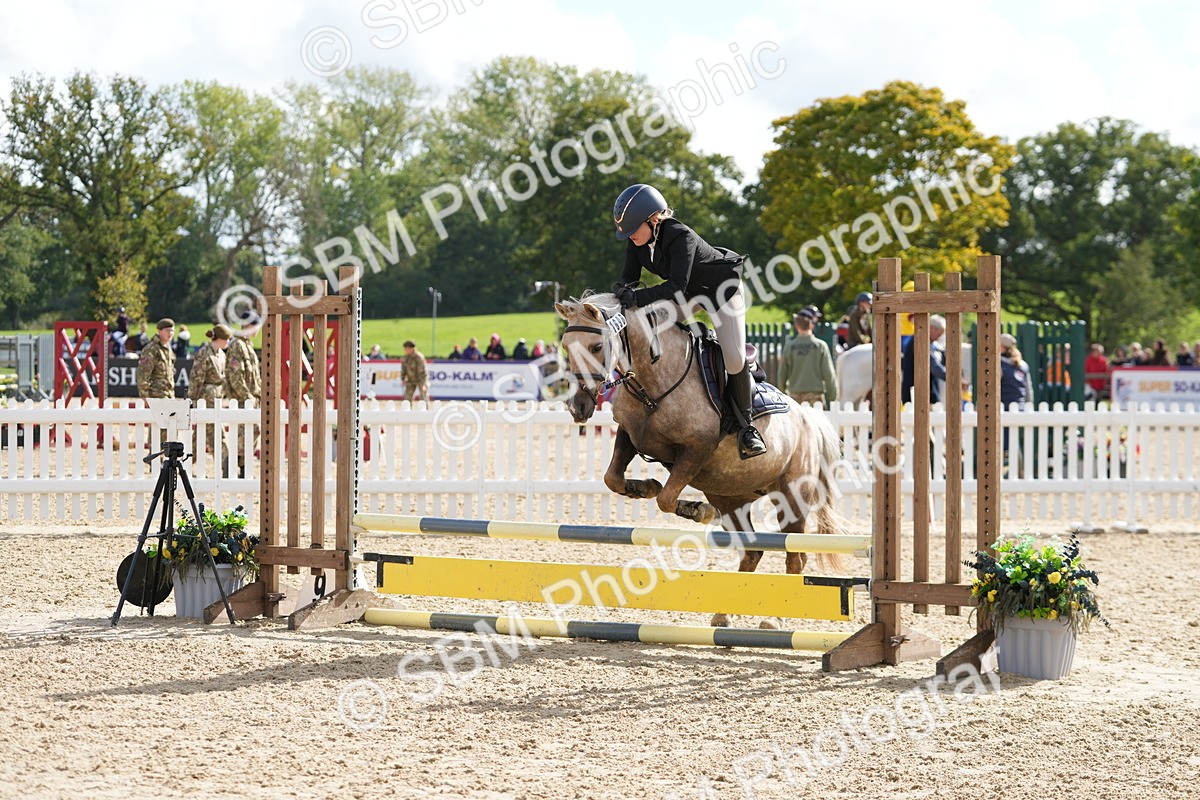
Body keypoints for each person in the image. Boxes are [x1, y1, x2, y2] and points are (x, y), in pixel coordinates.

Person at [611, 182, 766, 457]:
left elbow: (675, 286)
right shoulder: (636, 242)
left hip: (721, 291)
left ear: (654, 219)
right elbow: (629, 277)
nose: (630, 236)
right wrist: (622, 289)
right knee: (648, 324)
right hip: (690, 295)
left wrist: (637, 298)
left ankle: (747, 427)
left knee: (733, 356)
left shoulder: (680, 236)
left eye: (634, 229)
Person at [224, 316, 262, 478]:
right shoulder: (237, 346)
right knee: (243, 434)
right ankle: (232, 467)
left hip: (251, 399)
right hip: (242, 399)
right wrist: (247, 396)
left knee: (251, 433)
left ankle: (242, 468)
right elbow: (234, 375)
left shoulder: (247, 345)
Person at [776, 309, 837, 408]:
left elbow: (782, 374)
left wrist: (783, 395)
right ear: (812, 325)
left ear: (796, 326)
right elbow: (829, 374)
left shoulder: (790, 346)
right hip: (816, 397)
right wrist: (833, 397)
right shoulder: (820, 346)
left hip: (795, 398)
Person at [188, 324, 231, 461]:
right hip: (206, 398)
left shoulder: (221, 354)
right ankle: (223, 460)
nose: (228, 342)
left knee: (202, 432)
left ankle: (188, 460)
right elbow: (197, 377)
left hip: (217, 396)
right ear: (219, 339)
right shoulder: (204, 352)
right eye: (226, 339)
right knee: (213, 430)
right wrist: (192, 398)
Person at [901, 315, 948, 404]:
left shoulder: (930, 343)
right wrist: (953, 377)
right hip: (917, 396)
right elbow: (933, 365)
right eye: (938, 334)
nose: (938, 338)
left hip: (926, 395)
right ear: (931, 328)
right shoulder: (919, 341)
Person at [136, 319, 177, 400]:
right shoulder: (152, 349)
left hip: (169, 395)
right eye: (167, 330)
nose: (170, 333)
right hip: (155, 396)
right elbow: (143, 374)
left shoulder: (168, 349)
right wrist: (145, 397)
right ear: (159, 331)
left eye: (172, 330)